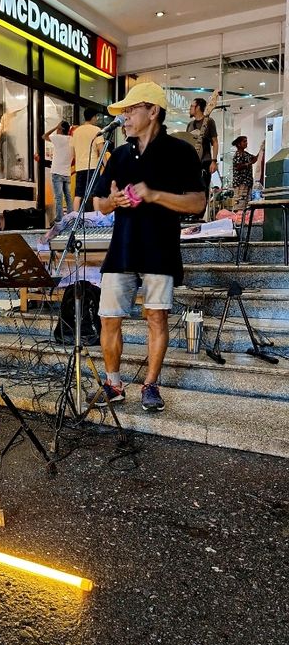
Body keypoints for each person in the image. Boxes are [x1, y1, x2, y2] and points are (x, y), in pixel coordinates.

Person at [90, 81, 206, 412]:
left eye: (130, 109)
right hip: (122, 248)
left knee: (157, 317)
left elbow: (198, 202)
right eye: (123, 111)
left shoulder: (180, 151)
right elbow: (98, 202)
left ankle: (150, 384)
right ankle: (114, 383)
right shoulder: (120, 155)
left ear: (153, 111)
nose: (124, 116)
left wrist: (154, 195)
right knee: (108, 317)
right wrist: (111, 202)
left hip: (160, 249)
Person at [71, 108, 110, 211]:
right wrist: (107, 167)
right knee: (95, 194)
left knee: (78, 194)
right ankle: (97, 217)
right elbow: (102, 151)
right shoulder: (96, 130)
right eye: (96, 117)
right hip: (93, 166)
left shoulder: (76, 132)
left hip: (79, 167)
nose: (96, 119)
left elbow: (73, 152)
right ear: (93, 117)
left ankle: (75, 219)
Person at [186, 97, 219, 196]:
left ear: (198, 107)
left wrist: (214, 161)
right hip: (192, 163)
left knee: (203, 192)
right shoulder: (190, 125)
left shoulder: (209, 122)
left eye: (192, 106)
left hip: (205, 161)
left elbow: (215, 142)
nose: (190, 108)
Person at [42, 119, 74, 223]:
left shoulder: (58, 138)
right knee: (68, 196)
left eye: (58, 128)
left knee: (58, 196)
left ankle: (59, 218)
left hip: (57, 171)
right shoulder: (71, 139)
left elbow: (44, 136)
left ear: (61, 129)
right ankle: (70, 216)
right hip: (67, 172)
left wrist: (56, 127)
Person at [231, 136, 264, 211]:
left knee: (247, 204)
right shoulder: (238, 154)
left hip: (247, 182)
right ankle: (238, 220)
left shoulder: (246, 154)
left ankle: (243, 220)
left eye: (246, 141)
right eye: (244, 141)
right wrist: (248, 164)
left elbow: (255, 159)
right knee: (240, 204)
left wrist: (261, 149)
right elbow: (238, 166)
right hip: (241, 183)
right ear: (239, 144)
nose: (246, 143)